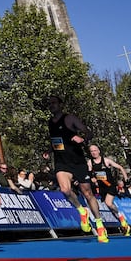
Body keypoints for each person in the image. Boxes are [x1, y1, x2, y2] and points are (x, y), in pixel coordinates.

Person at [46, 95, 107, 243]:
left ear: (60, 104)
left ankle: (99, 224)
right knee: (65, 190)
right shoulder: (49, 122)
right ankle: (81, 210)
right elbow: (56, 140)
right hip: (61, 162)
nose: (52, 105)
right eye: (49, 104)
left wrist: (82, 138)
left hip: (78, 162)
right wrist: (48, 150)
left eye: (54, 103)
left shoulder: (69, 118)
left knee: (88, 193)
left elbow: (88, 132)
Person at [87, 144, 131, 236]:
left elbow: (120, 167)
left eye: (95, 150)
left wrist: (126, 179)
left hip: (110, 185)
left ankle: (121, 218)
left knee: (108, 203)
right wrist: (92, 179)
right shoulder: (90, 163)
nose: (94, 152)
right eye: (92, 151)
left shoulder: (106, 161)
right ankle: (122, 219)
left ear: (99, 151)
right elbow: (89, 175)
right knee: (110, 207)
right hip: (101, 187)